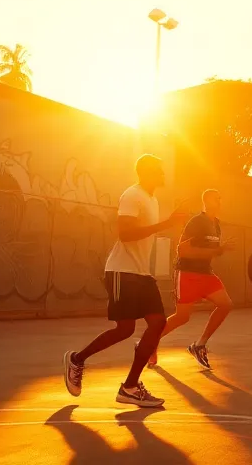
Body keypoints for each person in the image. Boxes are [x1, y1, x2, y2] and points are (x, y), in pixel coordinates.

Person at [63, 155, 184, 407]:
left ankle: (129, 387)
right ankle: (77, 358)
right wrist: (166, 223)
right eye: (158, 170)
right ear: (146, 172)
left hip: (140, 273)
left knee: (158, 322)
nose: (162, 173)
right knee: (125, 329)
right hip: (121, 271)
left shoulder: (152, 199)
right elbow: (125, 233)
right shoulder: (132, 195)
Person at [152, 188, 236, 370]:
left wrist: (220, 249)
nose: (220, 201)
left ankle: (199, 345)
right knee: (182, 317)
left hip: (206, 272)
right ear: (206, 201)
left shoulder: (217, 224)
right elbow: (182, 250)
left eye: (220, 198)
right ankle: (149, 343)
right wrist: (218, 250)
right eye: (216, 198)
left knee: (226, 304)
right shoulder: (197, 221)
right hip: (187, 272)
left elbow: (210, 250)